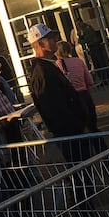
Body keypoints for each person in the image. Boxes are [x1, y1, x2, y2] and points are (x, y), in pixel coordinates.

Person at [27, 24, 88, 160]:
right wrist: (73, 123)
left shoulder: (48, 65)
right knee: (79, 165)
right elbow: (51, 105)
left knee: (83, 163)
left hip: (72, 128)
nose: (56, 40)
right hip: (67, 130)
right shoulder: (41, 71)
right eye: (50, 38)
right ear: (41, 44)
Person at [55, 40, 99, 136]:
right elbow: (90, 81)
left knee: (79, 131)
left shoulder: (57, 65)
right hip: (85, 95)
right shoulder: (79, 61)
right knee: (92, 126)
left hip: (72, 99)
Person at [75, 17, 109, 84]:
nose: (79, 26)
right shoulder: (81, 30)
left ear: (82, 22)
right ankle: (102, 80)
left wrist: (81, 39)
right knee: (96, 64)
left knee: (101, 63)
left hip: (95, 46)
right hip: (91, 47)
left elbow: (87, 39)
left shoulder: (87, 28)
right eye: (77, 25)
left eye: (79, 24)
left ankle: (106, 79)